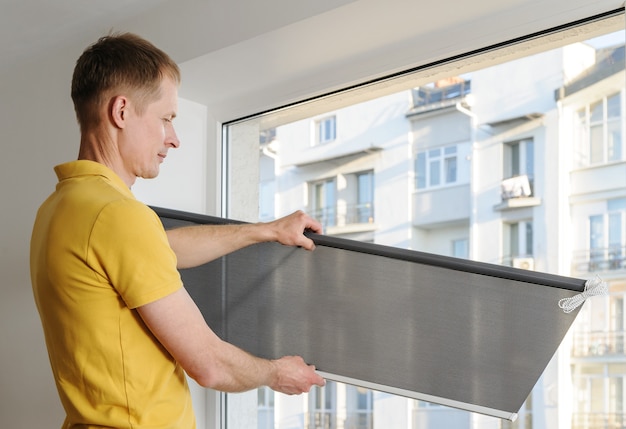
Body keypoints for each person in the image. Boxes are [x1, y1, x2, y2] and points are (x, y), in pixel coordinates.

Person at [30, 32, 326, 429]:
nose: (174, 138)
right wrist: (275, 373)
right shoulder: (117, 215)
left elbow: (160, 249)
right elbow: (209, 365)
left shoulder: (60, 209)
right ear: (121, 111)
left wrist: (264, 231)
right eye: (166, 118)